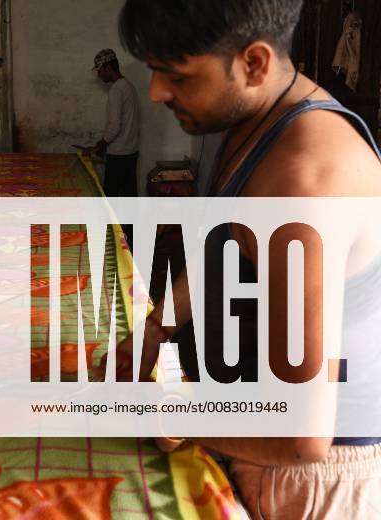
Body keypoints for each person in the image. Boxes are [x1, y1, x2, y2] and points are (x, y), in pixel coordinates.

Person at [110, 0, 381, 518]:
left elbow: (302, 435)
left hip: (309, 481)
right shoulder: (260, 118)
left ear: (253, 63)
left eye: (177, 75)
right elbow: (228, 244)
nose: (156, 92)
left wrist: (171, 414)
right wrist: (155, 329)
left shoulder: (303, 181)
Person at [75, 49, 140, 197]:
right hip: (131, 152)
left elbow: (115, 125)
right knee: (129, 196)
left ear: (108, 68)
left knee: (111, 197)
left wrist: (99, 146)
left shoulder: (116, 90)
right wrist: (101, 146)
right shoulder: (128, 86)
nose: (99, 74)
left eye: (100, 70)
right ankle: (129, 221)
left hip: (119, 155)